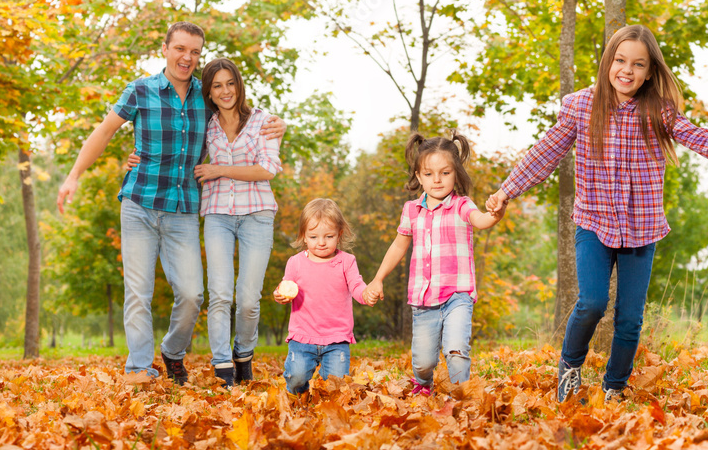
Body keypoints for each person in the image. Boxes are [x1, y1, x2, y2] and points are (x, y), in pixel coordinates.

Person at [487, 25, 708, 403]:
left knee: (629, 319)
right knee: (591, 302)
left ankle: (614, 387)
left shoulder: (659, 111)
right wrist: (507, 190)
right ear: (608, 61)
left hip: (642, 227)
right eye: (620, 60)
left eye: (638, 64)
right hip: (594, 221)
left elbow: (697, 136)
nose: (627, 70)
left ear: (650, 71)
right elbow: (546, 152)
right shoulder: (581, 105)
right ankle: (569, 369)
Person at [57, 21, 284, 384]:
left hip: (182, 210)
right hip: (139, 202)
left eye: (194, 52)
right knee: (138, 292)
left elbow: (237, 115)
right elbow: (104, 131)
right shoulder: (140, 90)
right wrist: (73, 176)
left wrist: (278, 124)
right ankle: (139, 369)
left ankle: (173, 351)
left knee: (193, 294)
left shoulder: (205, 95)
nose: (187, 57)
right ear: (165, 48)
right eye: (180, 48)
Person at [364, 132, 504, 396]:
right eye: (428, 174)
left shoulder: (462, 205)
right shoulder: (411, 210)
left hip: (457, 296)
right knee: (424, 361)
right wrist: (378, 278)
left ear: (455, 174)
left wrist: (496, 213)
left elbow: (481, 220)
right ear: (418, 176)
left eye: (445, 173)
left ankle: (463, 395)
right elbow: (398, 246)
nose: (437, 180)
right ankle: (423, 383)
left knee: (456, 349)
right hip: (423, 299)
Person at [196, 58, 281, 387]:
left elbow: (267, 169)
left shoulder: (264, 122)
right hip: (217, 214)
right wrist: (139, 156)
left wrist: (218, 170)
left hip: (257, 215)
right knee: (219, 294)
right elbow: (177, 150)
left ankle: (243, 354)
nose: (225, 90)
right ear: (209, 92)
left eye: (230, 83)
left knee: (248, 299)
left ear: (239, 84)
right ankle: (222, 369)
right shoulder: (205, 124)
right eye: (217, 85)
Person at [274, 198, 374, 394]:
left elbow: (356, 285)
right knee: (296, 378)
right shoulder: (295, 263)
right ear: (304, 236)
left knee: (336, 386)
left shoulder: (346, 261)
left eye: (328, 236)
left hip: (336, 338)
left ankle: (328, 411)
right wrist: (279, 294)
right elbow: (285, 287)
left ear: (339, 235)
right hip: (302, 336)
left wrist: (366, 294)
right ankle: (298, 399)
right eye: (313, 237)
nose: (321, 243)